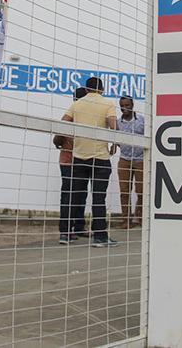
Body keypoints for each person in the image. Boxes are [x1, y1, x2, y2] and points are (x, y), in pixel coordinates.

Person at [62, 76, 118, 247]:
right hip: (100, 158)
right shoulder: (107, 103)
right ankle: (100, 237)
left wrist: (61, 141)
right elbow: (113, 125)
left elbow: (63, 123)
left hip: (79, 157)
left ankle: (65, 233)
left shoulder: (77, 104)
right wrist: (114, 144)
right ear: (101, 90)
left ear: (86, 90)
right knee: (98, 198)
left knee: (73, 196)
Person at [54, 87, 87, 243]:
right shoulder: (74, 115)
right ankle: (66, 231)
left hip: (78, 160)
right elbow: (57, 138)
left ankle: (77, 227)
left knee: (79, 194)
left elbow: (57, 140)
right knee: (70, 195)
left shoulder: (74, 114)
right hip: (71, 161)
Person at [116, 95, 145, 229]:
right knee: (124, 191)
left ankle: (138, 217)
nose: (125, 108)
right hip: (124, 159)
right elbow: (115, 139)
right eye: (122, 105)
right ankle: (125, 220)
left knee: (141, 190)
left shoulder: (142, 121)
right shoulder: (117, 123)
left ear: (132, 105)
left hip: (140, 160)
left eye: (127, 105)